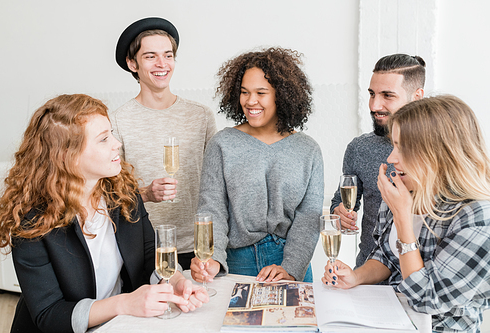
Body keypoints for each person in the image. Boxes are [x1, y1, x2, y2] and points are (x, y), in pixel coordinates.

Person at [0, 94, 208, 333]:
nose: (117, 144)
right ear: (67, 156)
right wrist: (125, 303)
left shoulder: (123, 194)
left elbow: (149, 257)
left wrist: (176, 281)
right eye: (104, 139)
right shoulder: (32, 222)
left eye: (111, 133)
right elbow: (49, 315)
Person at [322, 95, 490, 332]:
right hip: (391, 320)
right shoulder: (407, 189)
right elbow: (387, 256)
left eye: (402, 148)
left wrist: (403, 218)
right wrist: (356, 277)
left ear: (437, 153)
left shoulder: (478, 217)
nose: (391, 158)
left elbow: (426, 299)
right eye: (394, 145)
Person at [190, 47, 324, 283]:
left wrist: (291, 268)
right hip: (236, 263)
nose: (250, 101)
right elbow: (212, 209)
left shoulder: (308, 149)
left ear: (281, 95)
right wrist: (211, 258)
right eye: (244, 92)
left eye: (261, 92)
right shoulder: (222, 144)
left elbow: (308, 218)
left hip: (291, 264)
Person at [111, 17, 217, 270]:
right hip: (143, 246)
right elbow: (110, 193)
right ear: (132, 63)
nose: (162, 64)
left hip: (197, 245)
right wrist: (146, 193)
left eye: (168, 55)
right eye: (150, 56)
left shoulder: (201, 115)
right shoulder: (116, 121)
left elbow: (216, 182)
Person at [330, 54, 425, 268]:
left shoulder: (437, 151)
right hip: (368, 275)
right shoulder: (359, 148)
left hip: (419, 279)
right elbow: (342, 202)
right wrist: (341, 213)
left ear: (417, 96)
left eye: (387, 96)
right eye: (372, 94)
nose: (374, 105)